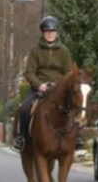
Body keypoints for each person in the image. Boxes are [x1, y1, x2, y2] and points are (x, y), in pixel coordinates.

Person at [13, 15, 85, 152]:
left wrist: (60, 85)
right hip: (39, 88)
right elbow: (29, 73)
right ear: (43, 33)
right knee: (24, 109)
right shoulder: (35, 51)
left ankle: (78, 137)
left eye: (52, 32)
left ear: (56, 33)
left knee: (74, 107)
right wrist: (39, 85)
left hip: (59, 88)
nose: (50, 34)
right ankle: (21, 137)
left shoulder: (64, 51)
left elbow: (69, 72)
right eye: (47, 32)